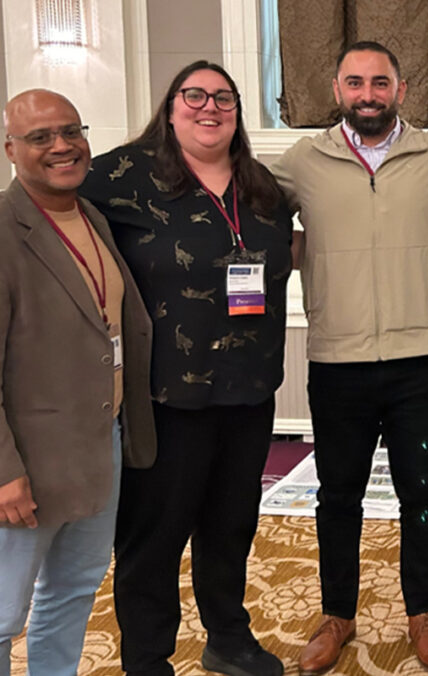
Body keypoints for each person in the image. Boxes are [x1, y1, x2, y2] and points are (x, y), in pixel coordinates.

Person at [79, 61, 292, 676]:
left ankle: (228, 637)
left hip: (249, 391)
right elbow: (51, 219)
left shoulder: (262, 186)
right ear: (170, 108)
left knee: (230, 526)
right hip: (166, 398)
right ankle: (147, 659)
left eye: (223, 97)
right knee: (154, 536)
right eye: (193, 95)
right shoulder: (121, 176)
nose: (209, 107)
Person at [271, 41, 428, 674]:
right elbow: (251, 216)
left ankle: (423, 613)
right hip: (337, 359)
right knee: (338, 495)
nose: (368, 94)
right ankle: (336, 614)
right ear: (337, 89)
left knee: (422, 492)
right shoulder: (302, 161)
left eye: (379, 82)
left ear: (401, 90)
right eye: (355, 83)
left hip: (419, 359)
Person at [0, 89, 157, 675]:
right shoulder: (4, 229)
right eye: (40, 137)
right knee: (2, 611)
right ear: (10, 149)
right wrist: (4, 472)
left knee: (74, 589)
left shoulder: (90, 216)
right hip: (26, 463)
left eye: (71, 131)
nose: (62, 146)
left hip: (97, 444)